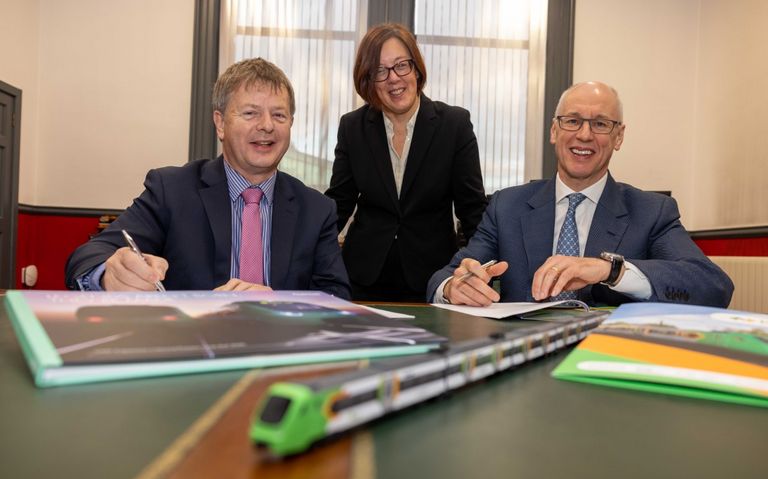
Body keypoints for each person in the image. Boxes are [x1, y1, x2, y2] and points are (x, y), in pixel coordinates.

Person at [427, 81, 733, 308]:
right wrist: (454, 287)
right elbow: (445, 277)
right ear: (554, 131)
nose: (584, 135)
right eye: (572, 121)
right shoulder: (507, 206)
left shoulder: (651, 212)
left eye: (600, 124)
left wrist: (610, 270)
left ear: (618, 137)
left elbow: (713, 286)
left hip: (606, 362)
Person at [66, 58, 351, 299]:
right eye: (250, 113)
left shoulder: (316, 210)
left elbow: (336, 297)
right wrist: (109, 274)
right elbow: (90, 254)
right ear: (220, 123)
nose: (266, 125)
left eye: (279, 115)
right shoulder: (172, 191)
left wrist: (279, 305)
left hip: (281, 346)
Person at [325, 23, 488, 302]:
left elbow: (472, 210)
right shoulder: (353, 127)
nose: (394, 78)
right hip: (363, 278)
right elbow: (339, 203)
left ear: (416, 69)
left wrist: (478, 269)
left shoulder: (454, 125)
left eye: (401, 65)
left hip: (434, 280)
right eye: (380, 70)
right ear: (368, 80)